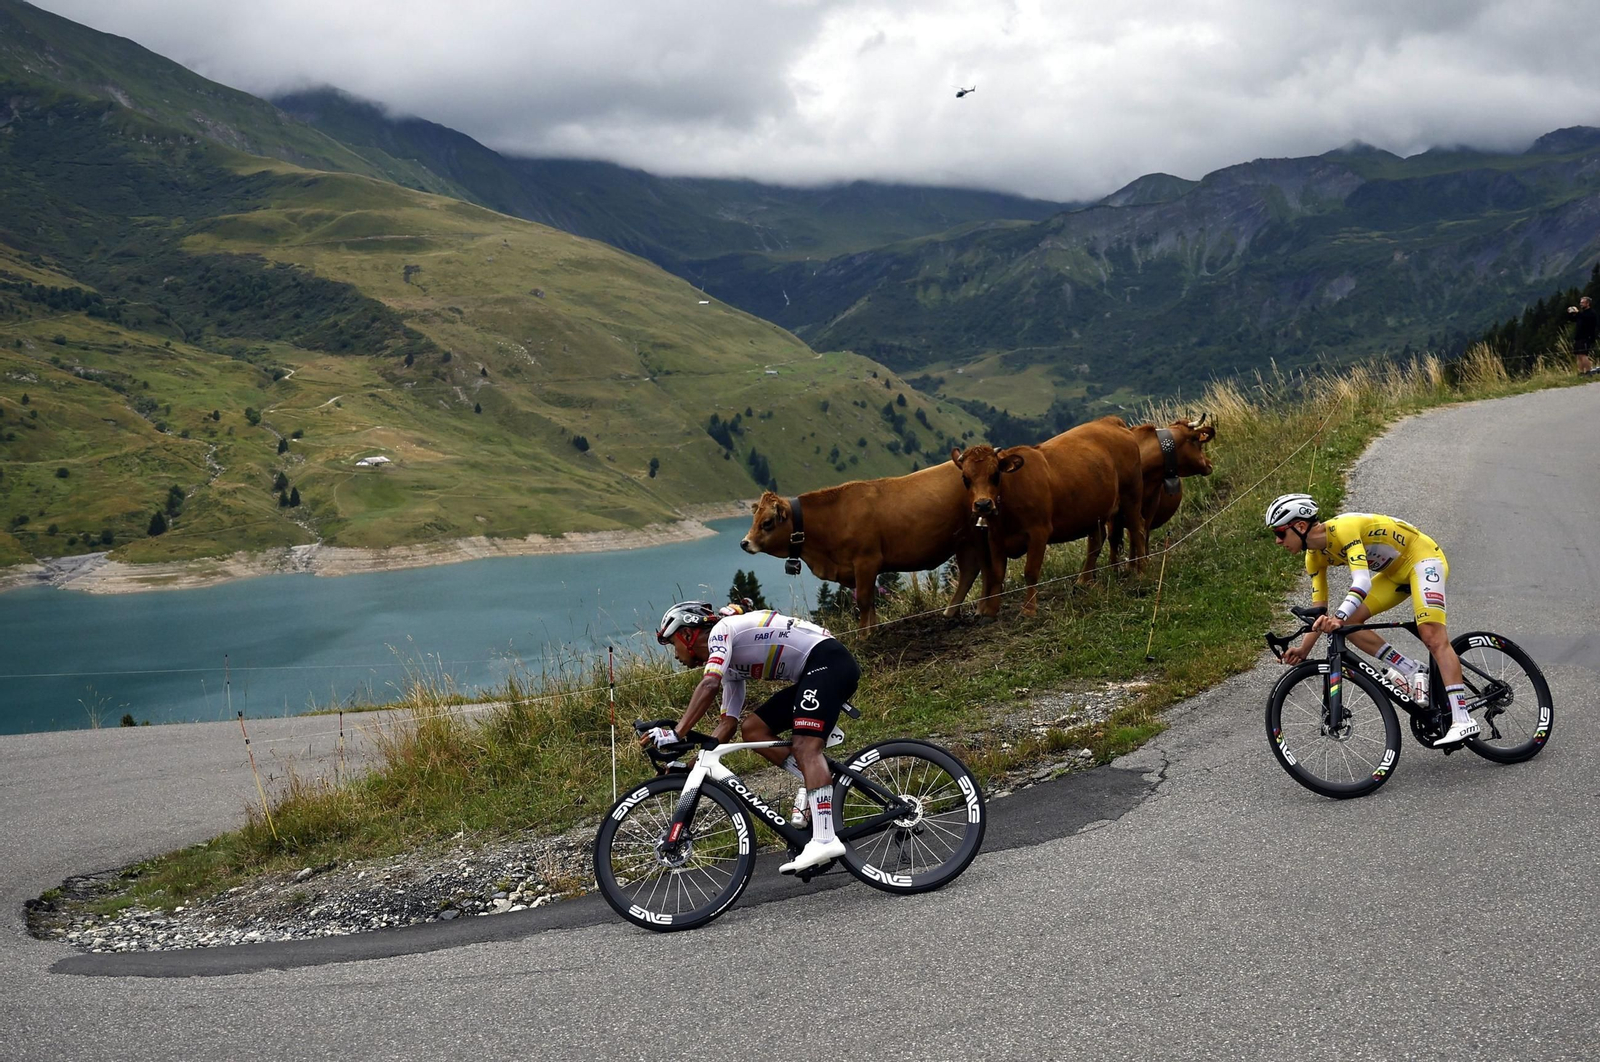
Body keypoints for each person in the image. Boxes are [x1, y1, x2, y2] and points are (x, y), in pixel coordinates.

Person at [648, 601, 861, 873]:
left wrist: (677, 733)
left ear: (687, 635)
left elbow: (708, 684)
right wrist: (693, 767)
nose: (674, 654)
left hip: (828, 662)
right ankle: (817, 782)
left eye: (672, 643)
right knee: (754, 729)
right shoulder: (731, 671)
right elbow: (728, 725)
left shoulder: (721, 632)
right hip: (815, 670)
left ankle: (824, 839)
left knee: (806, 746)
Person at [1264, 494, 1479, 746]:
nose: (1278, 541)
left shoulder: (1343, 529)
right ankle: (1410, 669)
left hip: (1422, 559)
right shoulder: (1313, 557)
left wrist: (1339, 616)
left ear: (1300, 526)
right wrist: (1303, 649)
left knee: (1431, 635)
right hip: (1393, 573)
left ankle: (1463, 718)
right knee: (1348, 625)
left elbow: (1362, 581)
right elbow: (1319, 613)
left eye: (1280, 533)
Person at [1566, 296, 1596, 375]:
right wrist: (1570, 313)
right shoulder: (1582, 313)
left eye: (1583, 302)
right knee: (1578, 355)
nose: (1581, 304)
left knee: (1583, 355)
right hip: (1578, 337)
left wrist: (1577, 312)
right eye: (1580, 302)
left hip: (1586, 337)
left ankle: (1588, 371)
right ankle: (1581, 371)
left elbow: (1585, 318)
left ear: (1588, 303)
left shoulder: (1591, 313)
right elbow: (1573, 319)